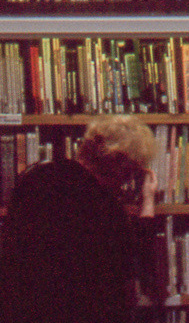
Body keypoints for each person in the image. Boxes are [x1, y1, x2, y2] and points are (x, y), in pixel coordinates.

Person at [0, 115, 159, 323]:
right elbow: (137, 265)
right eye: (133, 169)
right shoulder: (104, 206)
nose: (129, 178)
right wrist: (147, 201)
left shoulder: (35, 176)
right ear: (118, 161)